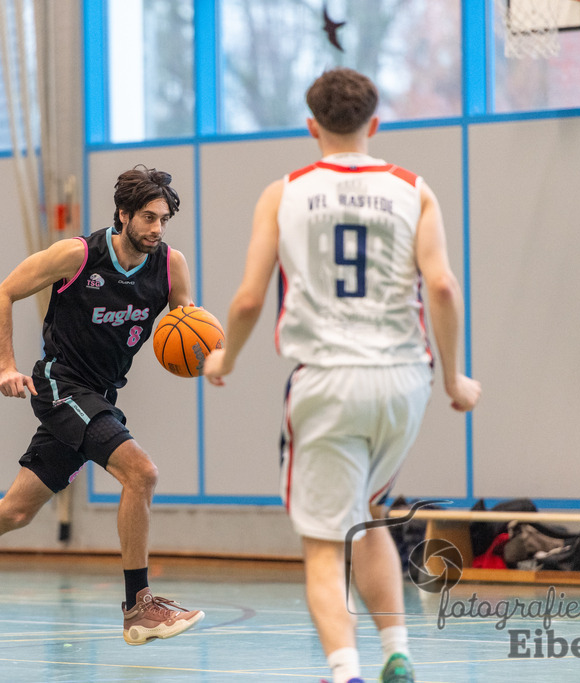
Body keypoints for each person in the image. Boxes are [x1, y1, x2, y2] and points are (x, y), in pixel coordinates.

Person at [203, 68, 481, 683]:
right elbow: (441, 286)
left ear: (312, 127)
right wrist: (456, 380)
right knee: (373, 512)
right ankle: (397, 651)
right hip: (404, 380)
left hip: (328, 381)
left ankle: (344, 669)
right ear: (374, 125)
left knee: (325, 545)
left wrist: (225, 359)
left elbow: (249, 301)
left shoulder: (286, 192)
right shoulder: (414, 188)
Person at [0, 165, 205, 645]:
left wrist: (209, 353)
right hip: (61, 385)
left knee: (16, 511)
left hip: (99, 394)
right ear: (122, 215)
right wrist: (6, 365)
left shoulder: (169, 265)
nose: (157, 228)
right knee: (142, 473)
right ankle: (138, 606)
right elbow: (3, 294)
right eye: (148, 217)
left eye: (163, 219)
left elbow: (188, 326)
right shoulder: (77, 255)